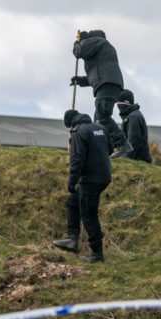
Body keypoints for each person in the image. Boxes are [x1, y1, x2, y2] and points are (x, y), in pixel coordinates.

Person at [53, 109, 112, 262]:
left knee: (88, 214)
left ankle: (97, 254)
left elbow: (77, 160)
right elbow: (110, 149)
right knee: (72, 202)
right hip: (104, 176)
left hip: (90, 179)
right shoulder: (99, 128)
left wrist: (71, 182)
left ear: (71, 123)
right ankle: (72, 239)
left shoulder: (78, 132)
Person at [71, 29, 133, 159]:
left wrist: (79, 42)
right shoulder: (103, 49)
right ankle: (103, 149)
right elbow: (98, 74)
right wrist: (80, 80)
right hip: (109, 83)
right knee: (98, 120)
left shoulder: (98, 41)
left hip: (107, 84)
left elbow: (79, 51)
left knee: (102, 116)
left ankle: (122, 144)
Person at [116, 89, 152, 163]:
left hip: (138, 161)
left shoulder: (133, 117)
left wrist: (126, 161)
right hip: (137, 160)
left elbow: (133, 142)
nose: (117, 105)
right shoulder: (131, 115)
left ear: (124, 102)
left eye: (118, 102)